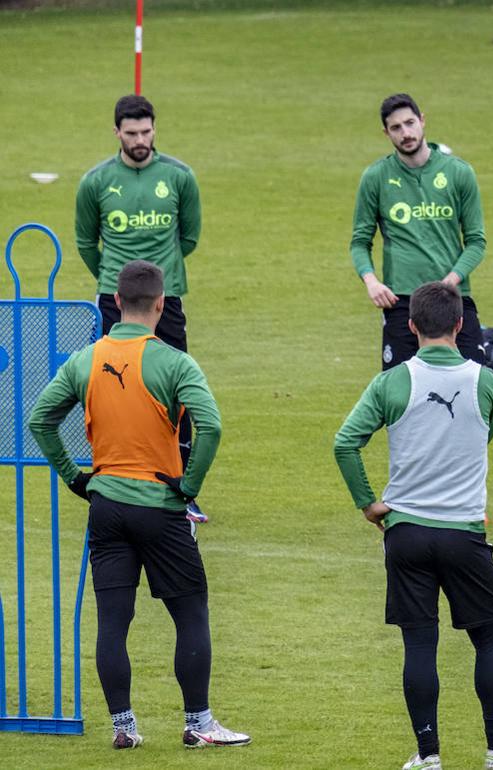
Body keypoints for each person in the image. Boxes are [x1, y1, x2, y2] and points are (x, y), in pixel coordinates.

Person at [27, 260, 247, 751]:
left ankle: (124, 727)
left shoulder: (85, 359)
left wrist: (74, 479)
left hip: (105, 505)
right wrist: (189, 485)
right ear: (161, 305)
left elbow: (41, 419)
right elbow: (210, 427)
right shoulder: (174, 362)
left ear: (117, 303)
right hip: (161, 508)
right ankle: (199, 724)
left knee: (112, 619)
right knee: (190, 612)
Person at [333, 282, 493, 770]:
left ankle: (428, 755)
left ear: (410, 327)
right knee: (490, 637)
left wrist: (369, 504)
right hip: (463, 533)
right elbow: (486, 433)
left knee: (419, 642)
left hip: (404, 533)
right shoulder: (484, 380)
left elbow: (345, 443)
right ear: (460, 326)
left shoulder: (391, 381)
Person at [75, 94, 205, 521]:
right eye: (131, 133)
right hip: (114, 303)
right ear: (117, 133)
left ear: (154, 129)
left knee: (177, 392)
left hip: (165, 301)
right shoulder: (95, 183)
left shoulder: (179, 176)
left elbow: (189, 237)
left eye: (146, 132)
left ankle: (181, 486)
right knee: (114, 388)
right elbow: (85, 243)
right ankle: (112, 481)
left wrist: (158, 282)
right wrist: (117, 281)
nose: (140, 140)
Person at [351, 93, 487, 370]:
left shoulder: (459, 173)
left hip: (452, 295)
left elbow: (476, 242)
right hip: (402, 300)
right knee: (400, 393)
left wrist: (451, 281)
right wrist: (372, 282)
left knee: (476, 381)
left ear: (423, 120)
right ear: (386, 133)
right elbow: (359, 241)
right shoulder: (375, 178)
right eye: (396, 128)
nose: (405, 133)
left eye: (410, 123)